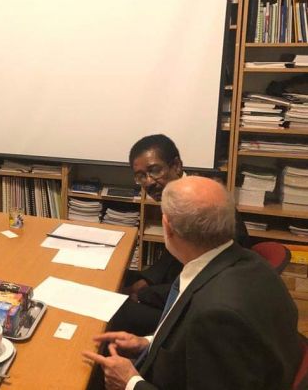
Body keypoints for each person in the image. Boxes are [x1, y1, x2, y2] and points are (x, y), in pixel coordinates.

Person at [83, 176, 300, 390]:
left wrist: (130, 382)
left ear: (167, 227)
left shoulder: (216, 315)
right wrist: (149, 343)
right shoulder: (251, 263)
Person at [112, 134, 250, 335]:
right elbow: (173, 255)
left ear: (176, 166)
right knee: (119, 277)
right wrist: (147, 281)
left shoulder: (199, 204)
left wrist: (144, 294)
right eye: (141, 176)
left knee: (115, 311)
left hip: (199, 306)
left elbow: (201, 281)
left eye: (154, 171)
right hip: (182, 283)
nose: (148, 182)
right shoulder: (178, 195)